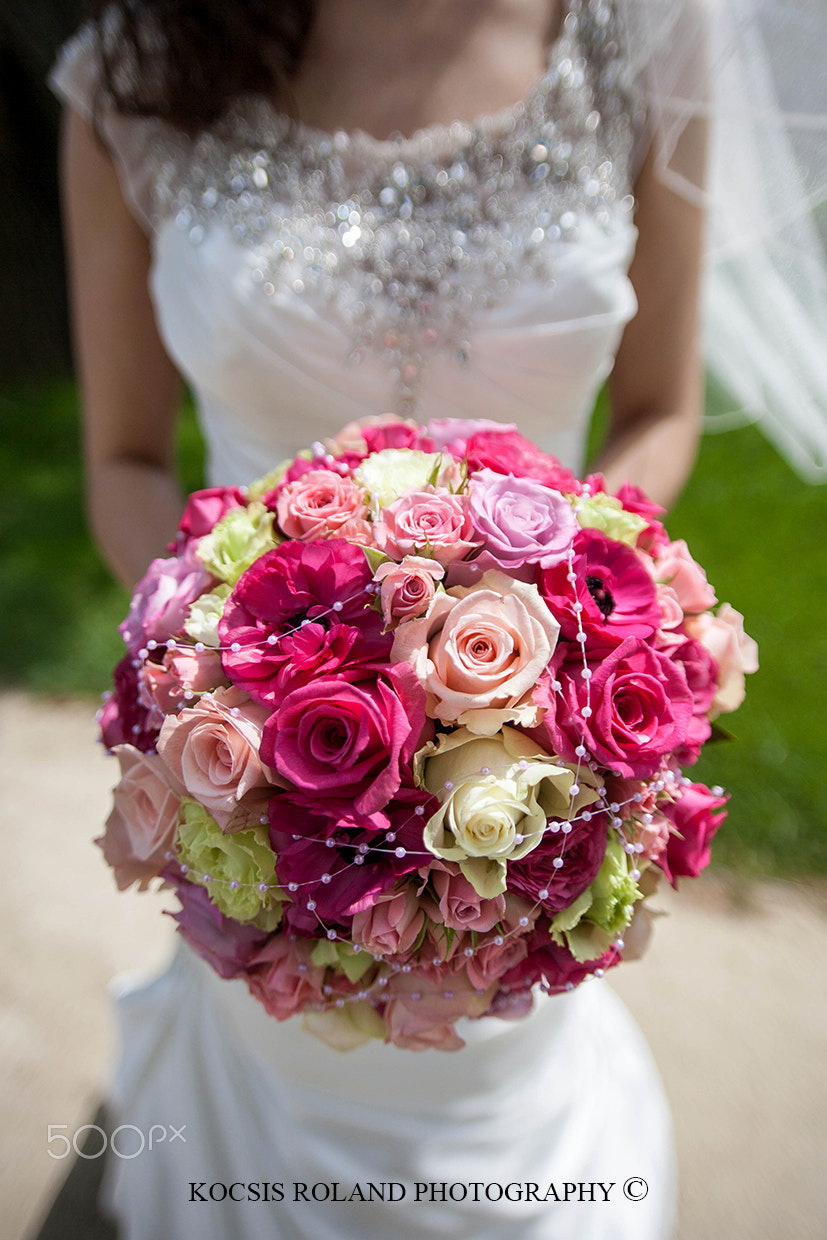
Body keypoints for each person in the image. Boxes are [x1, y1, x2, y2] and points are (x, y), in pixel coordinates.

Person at [46, 1, 826, 1237]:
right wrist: (220, 670)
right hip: (263, 730)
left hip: (538, 730)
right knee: (293, 1056)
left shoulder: (640, 37)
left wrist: (568, 621)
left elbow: (658, 409)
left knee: (499, 1061)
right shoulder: (131, 75)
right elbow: (126, 458)